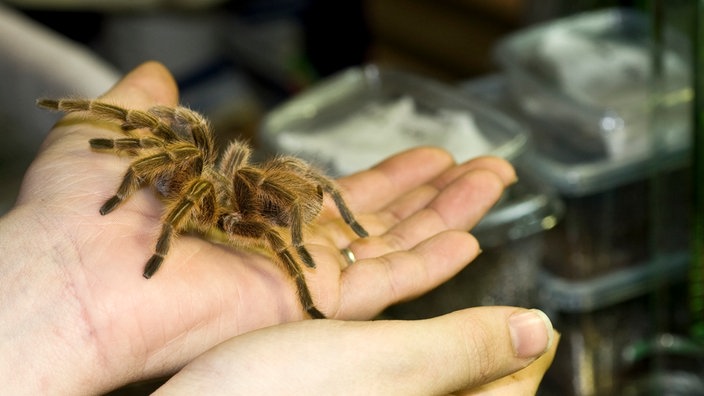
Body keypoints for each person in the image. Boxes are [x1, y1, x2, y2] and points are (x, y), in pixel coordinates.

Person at [0, 61, 557, 395]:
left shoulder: (223, 203)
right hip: (237, 194)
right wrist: (108, 149)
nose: (160, 174)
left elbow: (213, 192)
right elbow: (176, 155)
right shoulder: (194, 166)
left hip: (252, 211)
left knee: (253, 179)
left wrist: (162, 243)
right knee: (187, 123)